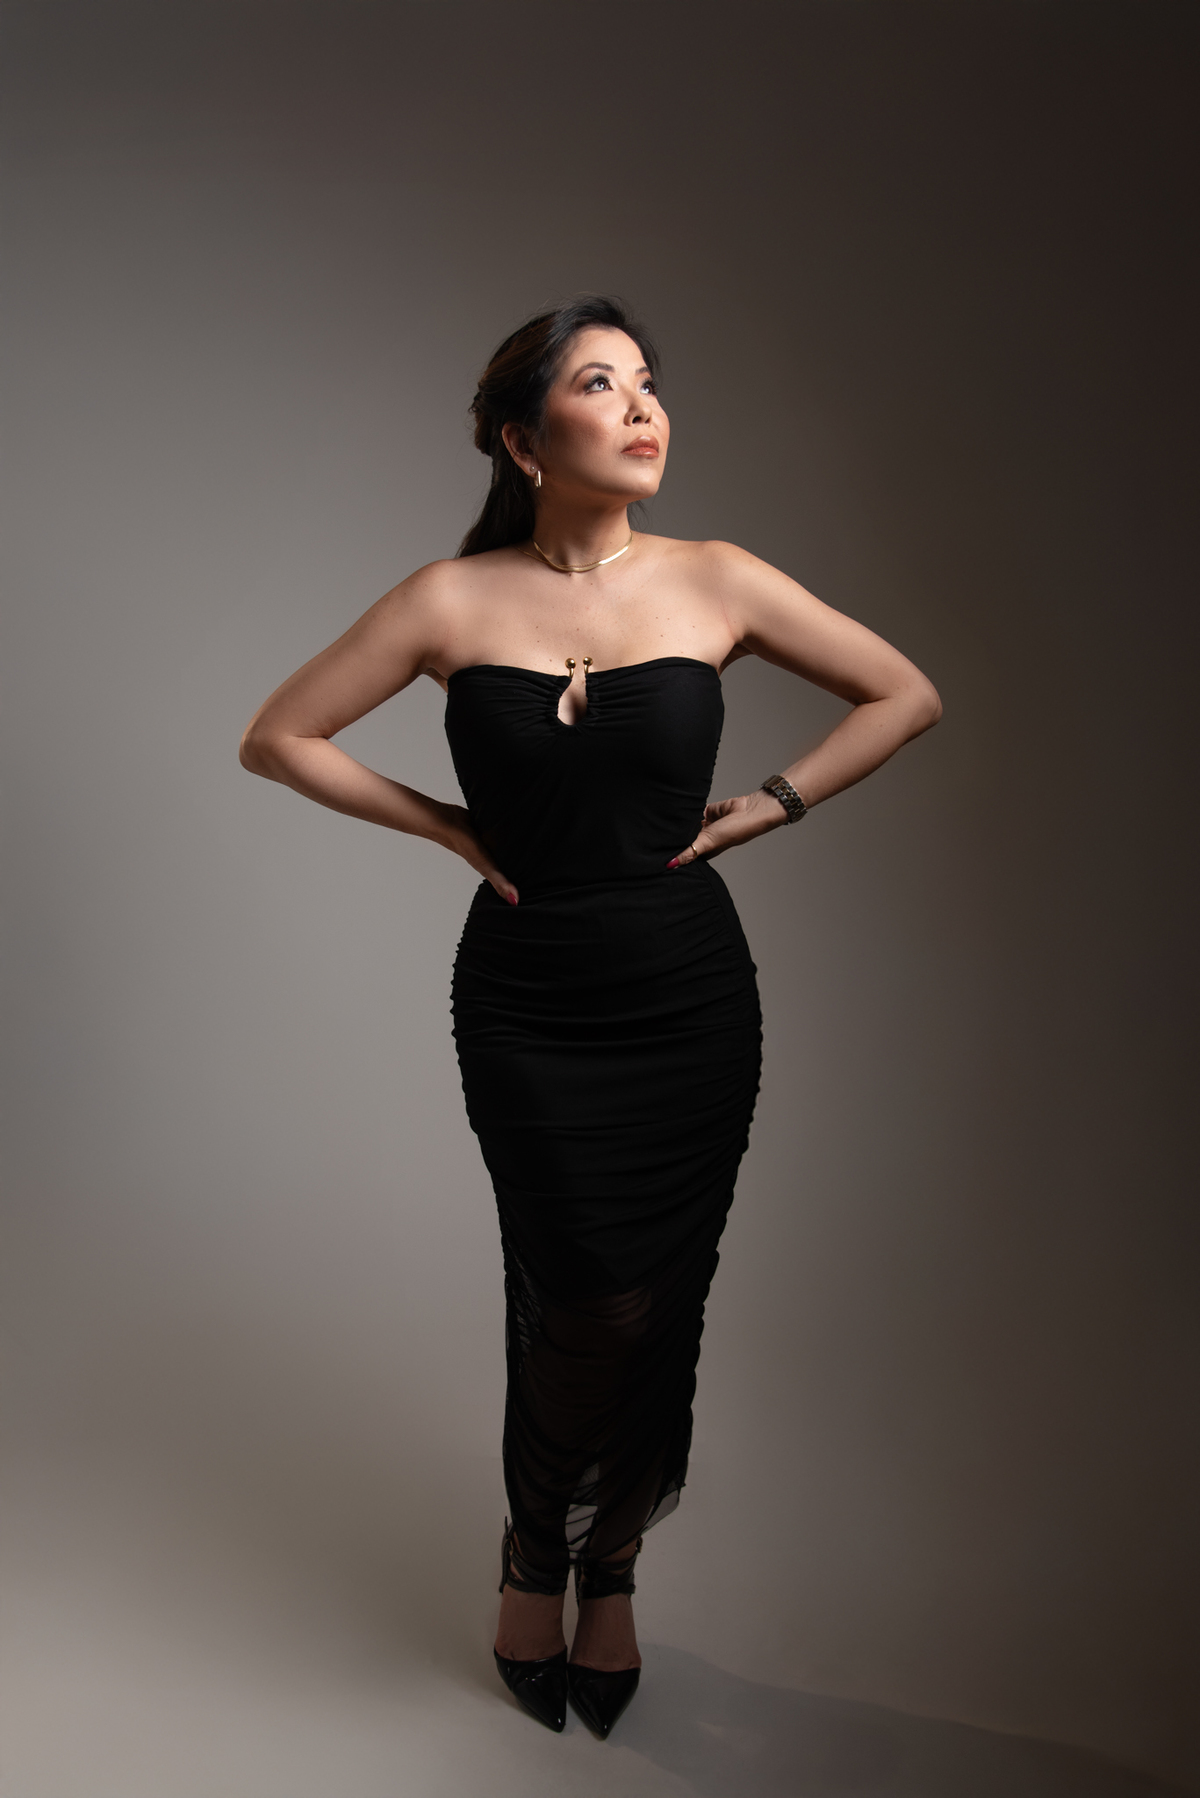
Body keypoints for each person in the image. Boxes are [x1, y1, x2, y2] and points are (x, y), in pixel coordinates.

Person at [239, 295, 941, 1738]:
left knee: (659, 1300)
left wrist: (771, 803)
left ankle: (606, 1564)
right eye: (601, 383)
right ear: (521, 437)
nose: (642, 408)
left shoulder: (717, 578)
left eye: (649, 383)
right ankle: (533, 1546)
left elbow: (904, 693)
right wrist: (448, 827)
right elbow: (279, 735)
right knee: (584, 1297)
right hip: (528, 1001)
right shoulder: (448, 600)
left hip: (689, 998)